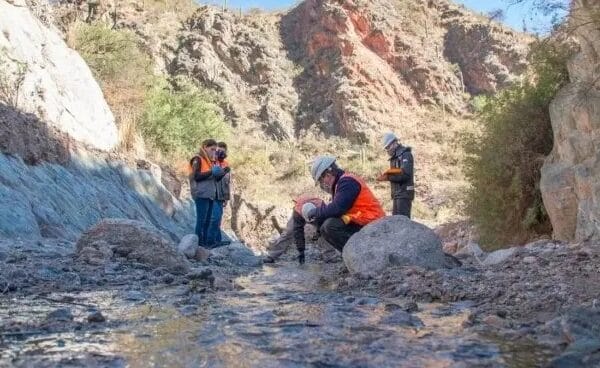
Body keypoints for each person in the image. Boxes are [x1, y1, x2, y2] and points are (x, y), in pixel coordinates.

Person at [302, 156, 385, 252]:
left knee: (330, 226)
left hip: (374, 222)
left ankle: (360, 253)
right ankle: (351, 255)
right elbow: (336, 210)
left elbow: (337, 209)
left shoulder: (347, 182)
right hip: (361, 220)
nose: (323, 184)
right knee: (325, 227)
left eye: (321, 180)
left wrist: (316, 212)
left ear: (328, 175)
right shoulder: (340, 184)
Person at [263, 195, 324, 264]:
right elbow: (298, 231)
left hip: (318, 213)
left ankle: (330, 257)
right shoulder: (297, 212)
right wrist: (301, 251)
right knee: (289, 231)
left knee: (324, 230)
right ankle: (271, 256)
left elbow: (322, 225)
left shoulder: (322, 208)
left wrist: (318, 232)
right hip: (300, 210)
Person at [189, 139, 225, 248]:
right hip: (200, 193)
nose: (213, 151)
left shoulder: (210, 161)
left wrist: (221, 173)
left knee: (207, 221)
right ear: (205, 147)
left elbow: (213, 178)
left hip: (210, 194)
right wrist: (211, 172)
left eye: (215, 150)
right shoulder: (197, 159)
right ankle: (198, 244)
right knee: (201, 220)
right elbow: (196, 176)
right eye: (212, 149)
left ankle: (204, 245)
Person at [377, 132, 415, 218]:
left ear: (394, 143)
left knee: (402, 223)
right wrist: (387, 175)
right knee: (396, 223)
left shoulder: (406, 155)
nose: (387, 150)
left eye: (388, 147)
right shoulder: (394, 158)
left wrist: (388, 177)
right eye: (386, 148)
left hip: (404, 194)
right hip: (397, 195)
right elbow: (397, 172)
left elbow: (405, 174)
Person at [210, 141, 232, 247]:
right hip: (212, 193)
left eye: (223, 151)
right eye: (219, 151)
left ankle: (217, 240)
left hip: (221, 196)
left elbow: (227, 182)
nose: (221, 153)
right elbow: (213, 177)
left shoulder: (226, 164)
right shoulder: (212, 162)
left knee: (218, 219)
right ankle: (210, 241)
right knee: (214, 217)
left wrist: (226, 198)